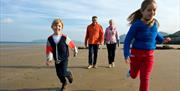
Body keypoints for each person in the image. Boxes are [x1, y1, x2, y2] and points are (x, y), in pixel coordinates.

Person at [123, 0, 171, 91]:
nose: (152, 12)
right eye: (149, 10)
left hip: (149, 56)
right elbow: (128, 39)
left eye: (154, 10)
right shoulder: (136, 25)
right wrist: (126, 53)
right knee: (133, 75)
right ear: (142, 11)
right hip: (136, 55)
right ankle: (131, 71)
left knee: (145, 78)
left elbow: (155, 35)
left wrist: (163, 40)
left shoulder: (155, 24)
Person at [45, 18, 78, 91]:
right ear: (52, 27)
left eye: (59, 26)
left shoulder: (64, 37)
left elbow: (71, 44)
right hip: (56, 59)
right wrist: (49, 59)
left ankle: (69, 74)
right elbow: (49, 50)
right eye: (55, 26)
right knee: (58, 74)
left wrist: (75, 50)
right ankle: (64, 83)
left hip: (64, 58)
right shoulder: (49, 39)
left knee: (63, 72)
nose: (57, 27)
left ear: (62, 27)